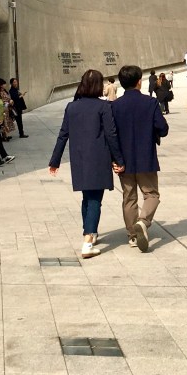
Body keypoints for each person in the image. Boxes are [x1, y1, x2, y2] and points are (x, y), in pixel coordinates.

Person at [48, 69, 125, 259]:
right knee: (94, 200)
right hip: (98, 158)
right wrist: (119, 160)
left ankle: (89, 232)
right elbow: (111, 134)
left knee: (87, 197)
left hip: (79, 159)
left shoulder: (71, 107)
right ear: (99, 86)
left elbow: (63, 135)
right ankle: (88, 241)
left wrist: (55, 161)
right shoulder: (103, 107)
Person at [111, 65, 168, 252]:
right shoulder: (150, 103)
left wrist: (114, 158)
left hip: (123, 160)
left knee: (129, 198)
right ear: (138, 82)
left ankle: (133, 236)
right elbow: (163, 129)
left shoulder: (114, 106)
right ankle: (143, 222)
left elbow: (111, 135)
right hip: (146, 157)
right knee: (151, 194)